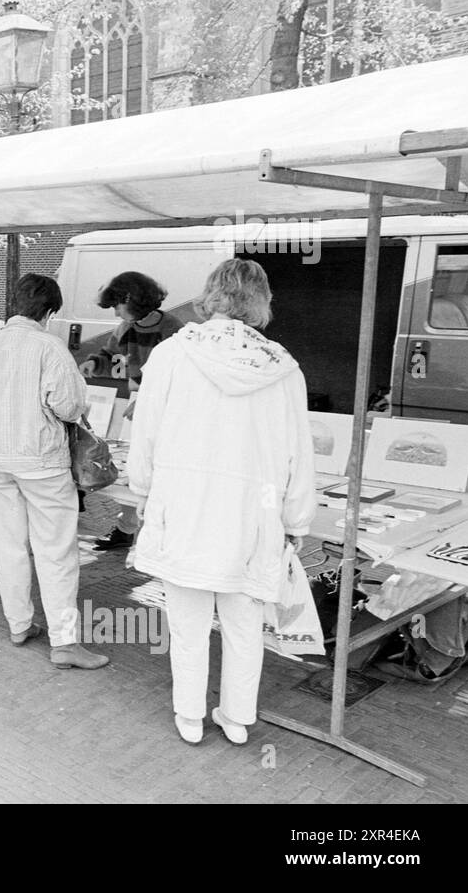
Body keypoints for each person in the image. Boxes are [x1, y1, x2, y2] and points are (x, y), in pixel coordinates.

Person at [128, 259, 315, 745]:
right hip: (253, 512)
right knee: (244, 622)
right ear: (260, 301)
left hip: (186, 504)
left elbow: (145, 433)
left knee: (187, 621)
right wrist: (296, 517)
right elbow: (299, 452)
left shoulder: (171, 354)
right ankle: (236, 717)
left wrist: (144, 492)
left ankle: (189, 716)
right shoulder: (283, 367)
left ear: (210, 295)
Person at [0, 273, 109, 671]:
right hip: (41, 462)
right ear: (48, 310)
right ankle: (63, 643)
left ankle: (19, 624)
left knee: (9, 543)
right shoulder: (49, 347)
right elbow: (67, 407)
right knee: (56, 552)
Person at [78, 271, 184, 552]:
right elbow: (109, 354)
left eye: (116, 306)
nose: (114, 313)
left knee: (158, 472)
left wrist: (149, 402)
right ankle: (127, 529)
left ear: (131, 300)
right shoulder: (126, 327)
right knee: (134, 470)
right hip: (140, 398)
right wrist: (94, 363)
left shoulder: (172, 329)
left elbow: (179, 377)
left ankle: (163, 537)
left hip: (167, 406)